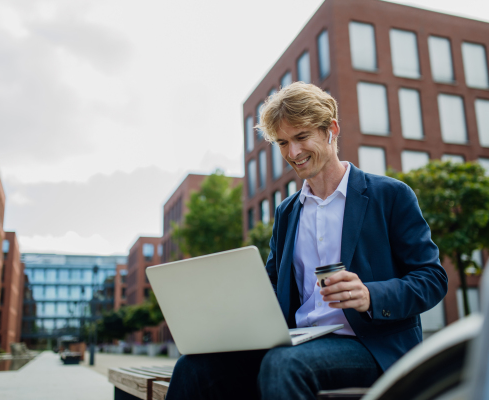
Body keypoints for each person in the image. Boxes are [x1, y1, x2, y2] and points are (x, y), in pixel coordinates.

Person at [165, 82, 448, 400]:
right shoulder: (287, 213)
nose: (293, 153)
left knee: (283, 364)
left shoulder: (390, 195)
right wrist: (222, 308)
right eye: (283, 143)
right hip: (297, 342)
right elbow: (271, 290)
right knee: (193, 368)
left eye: (301, 137)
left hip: (370, 346)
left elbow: (431, 279)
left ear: (332, 130)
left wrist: (370, 294)